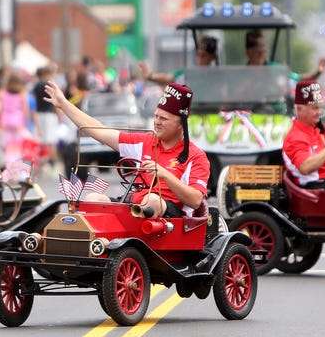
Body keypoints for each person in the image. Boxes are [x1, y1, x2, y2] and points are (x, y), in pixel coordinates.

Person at [44, 81, 208, 217]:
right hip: (135, 208)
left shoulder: (196, 156)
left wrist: (165, 174)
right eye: (156, 116)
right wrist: (64, 105)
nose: (157, 122)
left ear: (181, 123)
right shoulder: (144, 141)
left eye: (164, 118)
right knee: (93, 198)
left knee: (152, 200)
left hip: (171, 219)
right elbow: (99, 130)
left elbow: (195, 200)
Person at [139, 36, 217, 85]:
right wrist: (151, 77)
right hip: (193, 111)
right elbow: (168, 78)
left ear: (212, 57)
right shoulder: (189, 74)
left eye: (203, 56)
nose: (199, 59)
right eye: (198, 55)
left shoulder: (219, 76)